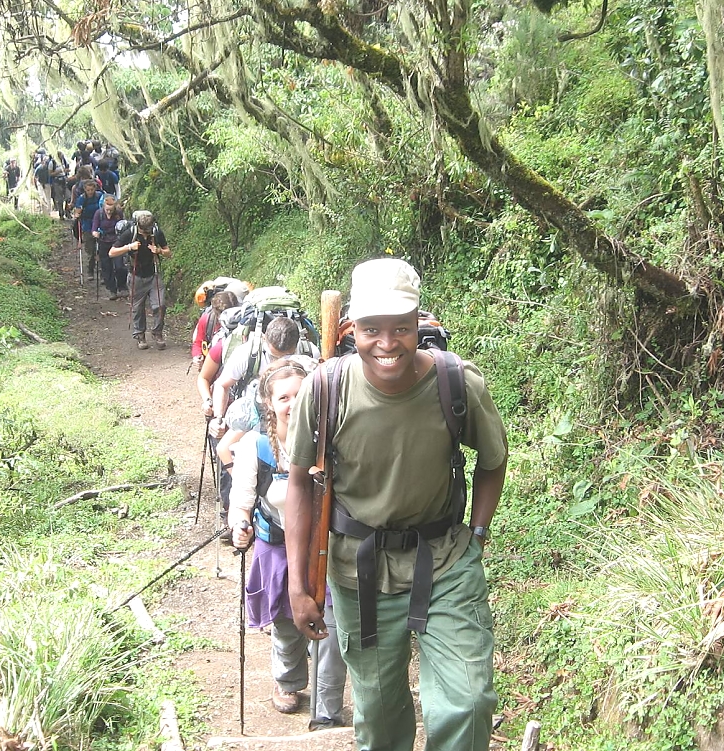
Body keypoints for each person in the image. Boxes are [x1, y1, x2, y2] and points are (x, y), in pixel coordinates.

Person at [284, 257, 509, 751]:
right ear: (352, 328)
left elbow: (493, 460)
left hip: (446, 561)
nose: (387, 343)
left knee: (469, 701)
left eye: (400, 328)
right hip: (358, 571)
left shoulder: (456, 384)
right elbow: (299, 483)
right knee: (379, 714)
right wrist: (298, 585)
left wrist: (477, 535)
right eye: (372, 329)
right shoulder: (325, 390)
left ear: (417, 323)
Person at [229, 357, 347, 726]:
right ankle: (288, 682)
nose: (293, 404)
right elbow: (241, 499)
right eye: (284, 397)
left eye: (300, 395)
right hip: (276, 547)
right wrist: (240, 525)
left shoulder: (329, 443)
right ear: (269, 403)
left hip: (325, 548)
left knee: (332, 628)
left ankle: (327, 706)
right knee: (285, 623)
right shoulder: (255, 446)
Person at [211, 316, 307, 428]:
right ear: (264, 338)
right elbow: (222, 385)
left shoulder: (308, 354)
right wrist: (218, 418)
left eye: (287, 357)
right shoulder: (246, 353)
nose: (279, 362)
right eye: (273, 356)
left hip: (296, 420)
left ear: (297, 345)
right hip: (252, 420)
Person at [110, 211, 170, 350]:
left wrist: (159, 251)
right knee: (138, 308)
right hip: (136, 276)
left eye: (148, 231)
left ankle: (157, 333)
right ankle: (140, 335)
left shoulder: (156, 232)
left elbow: (168, 252)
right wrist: (129, 247)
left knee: (160, 305)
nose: (146, 234)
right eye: (143, 231)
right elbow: (112, 252)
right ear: (138, 226)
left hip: (154, 275)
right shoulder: (130, 233)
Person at [192, 290, 241, 371]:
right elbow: (198, 342)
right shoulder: (206, 320)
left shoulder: (244, 321)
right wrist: (197, 356)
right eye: (223, 313)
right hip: (211, 367)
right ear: (215, 312)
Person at [91, 195, 128, 300]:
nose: (109, 212)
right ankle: (112, 290)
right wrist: (95, 233)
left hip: (117, 242)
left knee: (120, 266)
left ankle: (122, 286)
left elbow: (123, 226)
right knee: (106, 267)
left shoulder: (118, 213)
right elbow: (94, 228)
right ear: (103, 206)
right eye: (107, 210)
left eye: (111, 210)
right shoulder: (99, 213)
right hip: (103, 242)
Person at [72, 180, 104, 282]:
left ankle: (103, 273)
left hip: (99, 224)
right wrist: (77, 214)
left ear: (95, 189)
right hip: (87, 225)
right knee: (91, 250)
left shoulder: (100, 196)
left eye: (92, 189)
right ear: (85, 190)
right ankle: (90, 270)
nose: (90, 192)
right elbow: (77, 211)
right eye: (88, 190)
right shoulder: (82, 199)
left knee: (102, 250)